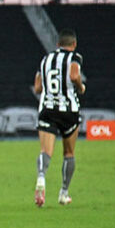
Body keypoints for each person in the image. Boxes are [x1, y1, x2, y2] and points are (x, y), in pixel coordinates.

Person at [33, 28, 86, 207]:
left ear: (57, 45)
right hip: (69, 111)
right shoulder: (75, 57)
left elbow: (37, 88)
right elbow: (73, 74)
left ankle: (41, 178)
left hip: (48, 108)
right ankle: (64, 193)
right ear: (74, 44)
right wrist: (80, 86)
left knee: (45, 151)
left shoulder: (45, 60)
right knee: (69, 153)